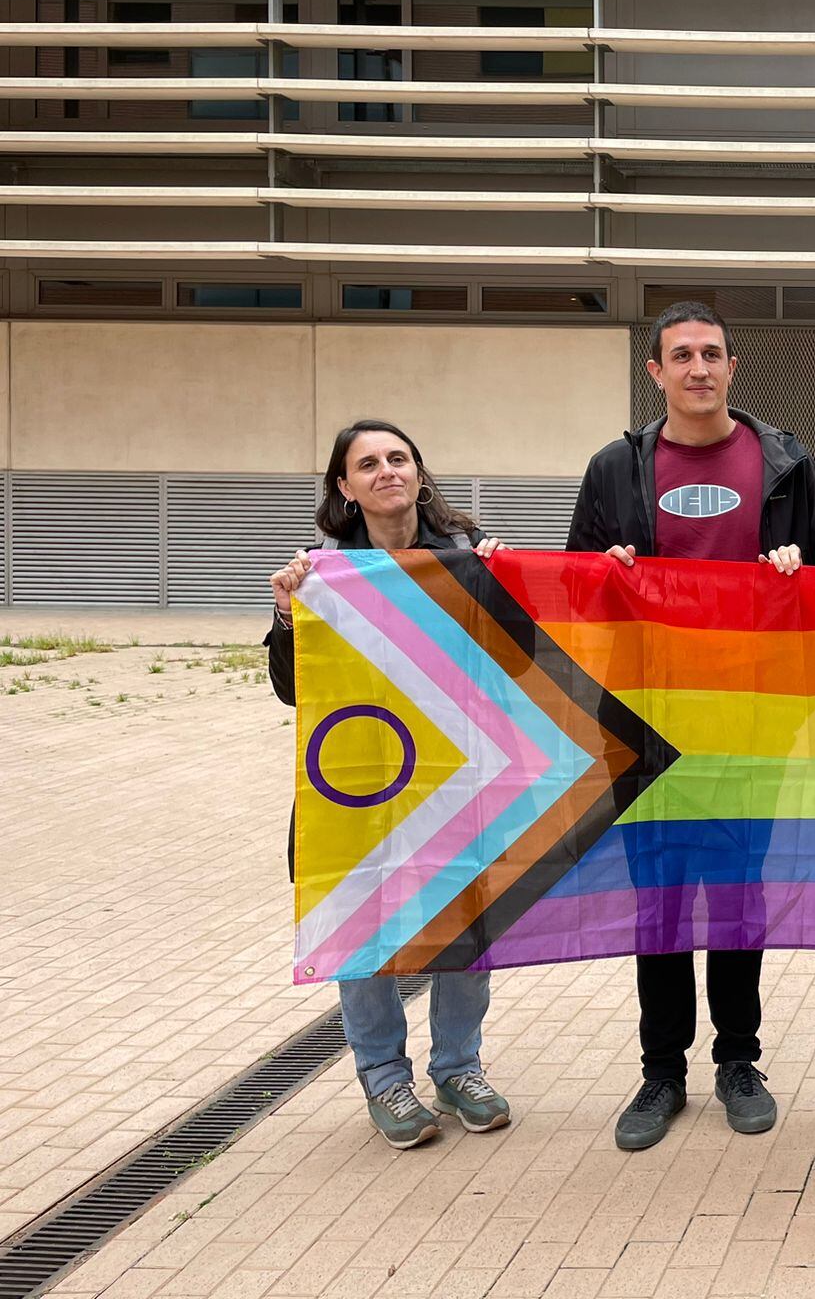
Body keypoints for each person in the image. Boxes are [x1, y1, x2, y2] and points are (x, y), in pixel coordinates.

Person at [568, 300, 815, 1150]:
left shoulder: (786, 463)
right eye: (681, 356)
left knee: (738, 894)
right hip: (649, 719)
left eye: (712, 353)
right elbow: (578, 590)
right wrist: (610, 573)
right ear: (656, 372)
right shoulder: (616, 466)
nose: (699, 369)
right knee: (663, 903)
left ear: (732, 365)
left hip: (750, 715)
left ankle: (739, 1059)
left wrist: (794, 571)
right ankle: (661, 1072)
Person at [266, 419, 512, 1149]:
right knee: (363, 936)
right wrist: (288, 615)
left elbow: (517, 669)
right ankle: (384, 1078)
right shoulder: (321, 575)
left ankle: (458, 1067)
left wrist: (509, 587)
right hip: (364, 787)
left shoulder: (467, 558)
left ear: (419, 471)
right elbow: (290, 690)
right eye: (366, 464)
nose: (386, 471)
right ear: (345, 488)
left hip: (460, 782)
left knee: (465, 930)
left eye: (397, 458)